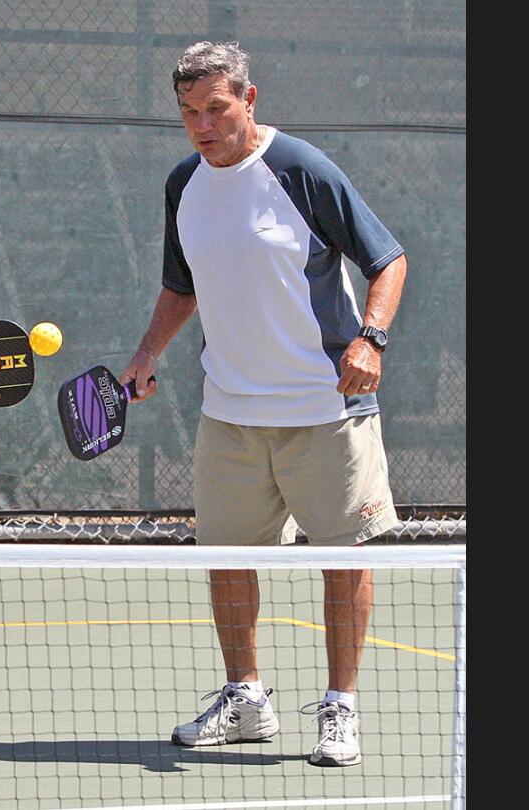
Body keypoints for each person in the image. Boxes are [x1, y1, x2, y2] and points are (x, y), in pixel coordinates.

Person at [120, 41, 408, 768]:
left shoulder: (301, 171)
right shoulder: (183, 182)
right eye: (189, 113)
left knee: (342, 564)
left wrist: (370, 339)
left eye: (216, 109)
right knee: (226, 560)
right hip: (230, 413)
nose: (203, 126)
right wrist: (149, 350)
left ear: (249, 100)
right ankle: (246, 699)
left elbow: (388, 259)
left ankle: (340, 707)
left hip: (326, 409)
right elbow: (181, 285)